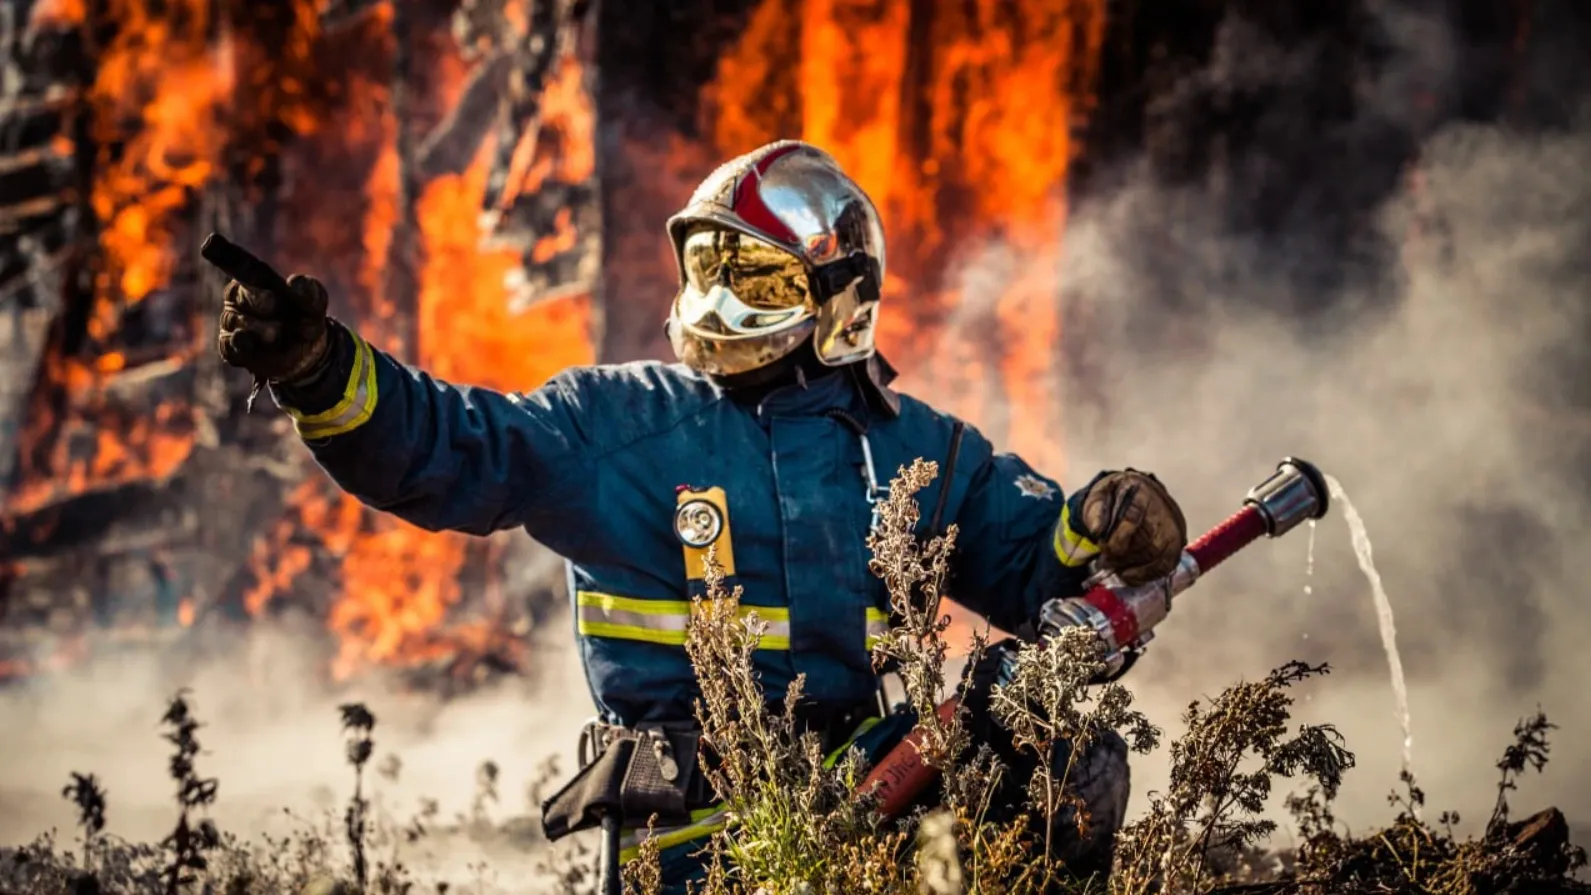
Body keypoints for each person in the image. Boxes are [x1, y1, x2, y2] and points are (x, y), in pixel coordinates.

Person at [215, 140, 1188, 890]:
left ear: (840, 300)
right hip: (686, 851)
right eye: (708, 271)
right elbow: (451, 449)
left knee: (1069, 756)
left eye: (755, 281)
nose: (719, 304)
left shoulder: (919, 452)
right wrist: (321, 372)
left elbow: (1047, 584)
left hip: (876, 811)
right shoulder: (617, 426)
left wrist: (1102, 525)